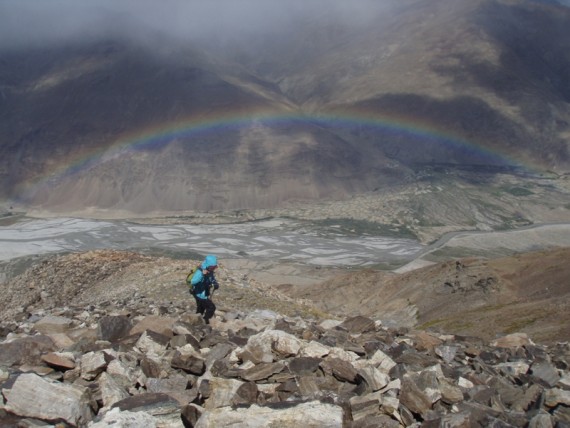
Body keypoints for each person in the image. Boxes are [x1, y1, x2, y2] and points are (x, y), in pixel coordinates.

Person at [189, 254, 219, 324]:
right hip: (199, 294)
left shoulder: (209, 270)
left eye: (214, 267)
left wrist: (215, 283)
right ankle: (205, 322)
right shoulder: (200, 271)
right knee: (211, 307)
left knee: (200, 309)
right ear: (208, 265)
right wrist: (202, 274)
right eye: (212, 267)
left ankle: (196, 323)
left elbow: (211, 278)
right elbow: (193, 281)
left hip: (203, 293)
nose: (213, 269)